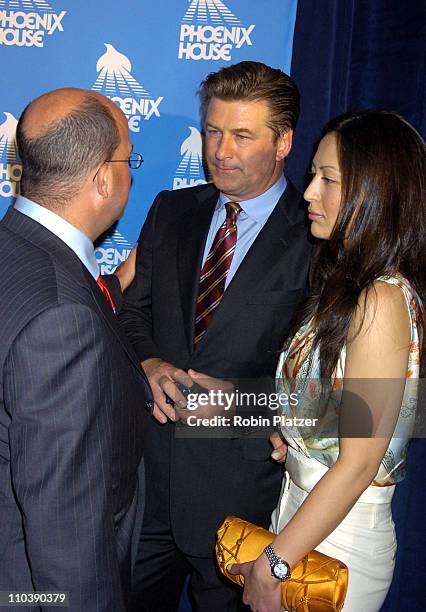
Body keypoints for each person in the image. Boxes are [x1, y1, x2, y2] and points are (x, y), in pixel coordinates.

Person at [119, 61, 313, 610]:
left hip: (246, 506)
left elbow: (345, 401)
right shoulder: (171, 210)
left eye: (242, 135)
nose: (220, 151)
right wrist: (151, 365)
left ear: (284, 143)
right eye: (212, 131)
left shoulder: (320, 238)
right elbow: (134, 315)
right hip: (146, 489)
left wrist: (240, 408)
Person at [228, 110, 425, 611]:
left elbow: (359, 464)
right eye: (314, 175)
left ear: (375, 189)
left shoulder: (381, 299)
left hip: (339, 542)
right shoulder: (350, 286)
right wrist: (296, 436)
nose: (309, 192)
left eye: (328, 179)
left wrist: (274, 564)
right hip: (299, 521)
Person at [0, 88, 152, 611]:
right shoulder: (64, 319)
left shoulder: (15, 248)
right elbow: (66, 533)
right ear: (102, 179)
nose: (131, 172)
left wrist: (108, 288)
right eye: (129, 157)